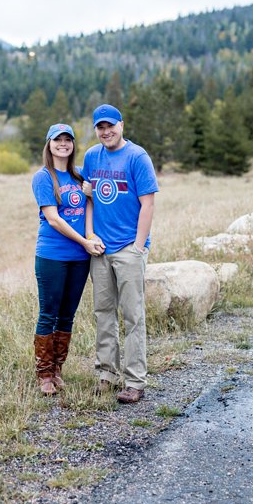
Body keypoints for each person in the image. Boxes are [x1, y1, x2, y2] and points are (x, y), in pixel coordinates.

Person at [81, 104, 159, 404]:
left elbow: (148, 203)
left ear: (121, 125)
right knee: (103, 313)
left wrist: (139, 247)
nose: (106, 132)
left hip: (128, 247)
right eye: (100, 127)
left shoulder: (137, 157)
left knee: (133, 316)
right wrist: (90, 235)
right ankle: (107, 374)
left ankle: (135, 381)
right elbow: (89, 199)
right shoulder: (91, 157)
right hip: (100, 249)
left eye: (110, 126)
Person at [31, 123, 105, 395]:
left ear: (73, 145)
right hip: (53, 255)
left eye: (67, 140)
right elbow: (53, 219)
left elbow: (89, 205)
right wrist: (84, 242)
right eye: (57, 140)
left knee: (67, 315)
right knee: (48, 313)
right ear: (49, 144)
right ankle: (44, 374)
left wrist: (89, 236)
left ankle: (58, 369)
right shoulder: (43, 177)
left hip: (79, 257)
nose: (63, 144)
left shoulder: (78, 175)